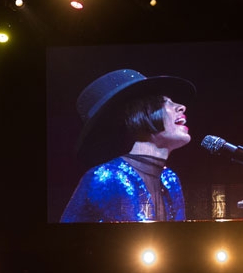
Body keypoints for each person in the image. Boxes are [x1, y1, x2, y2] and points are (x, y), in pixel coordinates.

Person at [60, 68, 195, 222]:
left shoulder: (169, 179)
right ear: (138, 114)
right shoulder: (109, 176)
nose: (181, 107)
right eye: (166, 102)